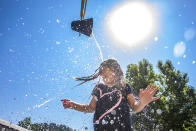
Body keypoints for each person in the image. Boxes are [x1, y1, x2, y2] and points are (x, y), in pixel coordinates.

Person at [61, 58, 160, 131]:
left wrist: (142, 103)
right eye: (102, 77)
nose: (104, 79)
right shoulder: (99, 88)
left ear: (116, 73)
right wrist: (72, 105)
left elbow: (134, 107)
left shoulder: (125, 87)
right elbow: (90, 108)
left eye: (106, 76)